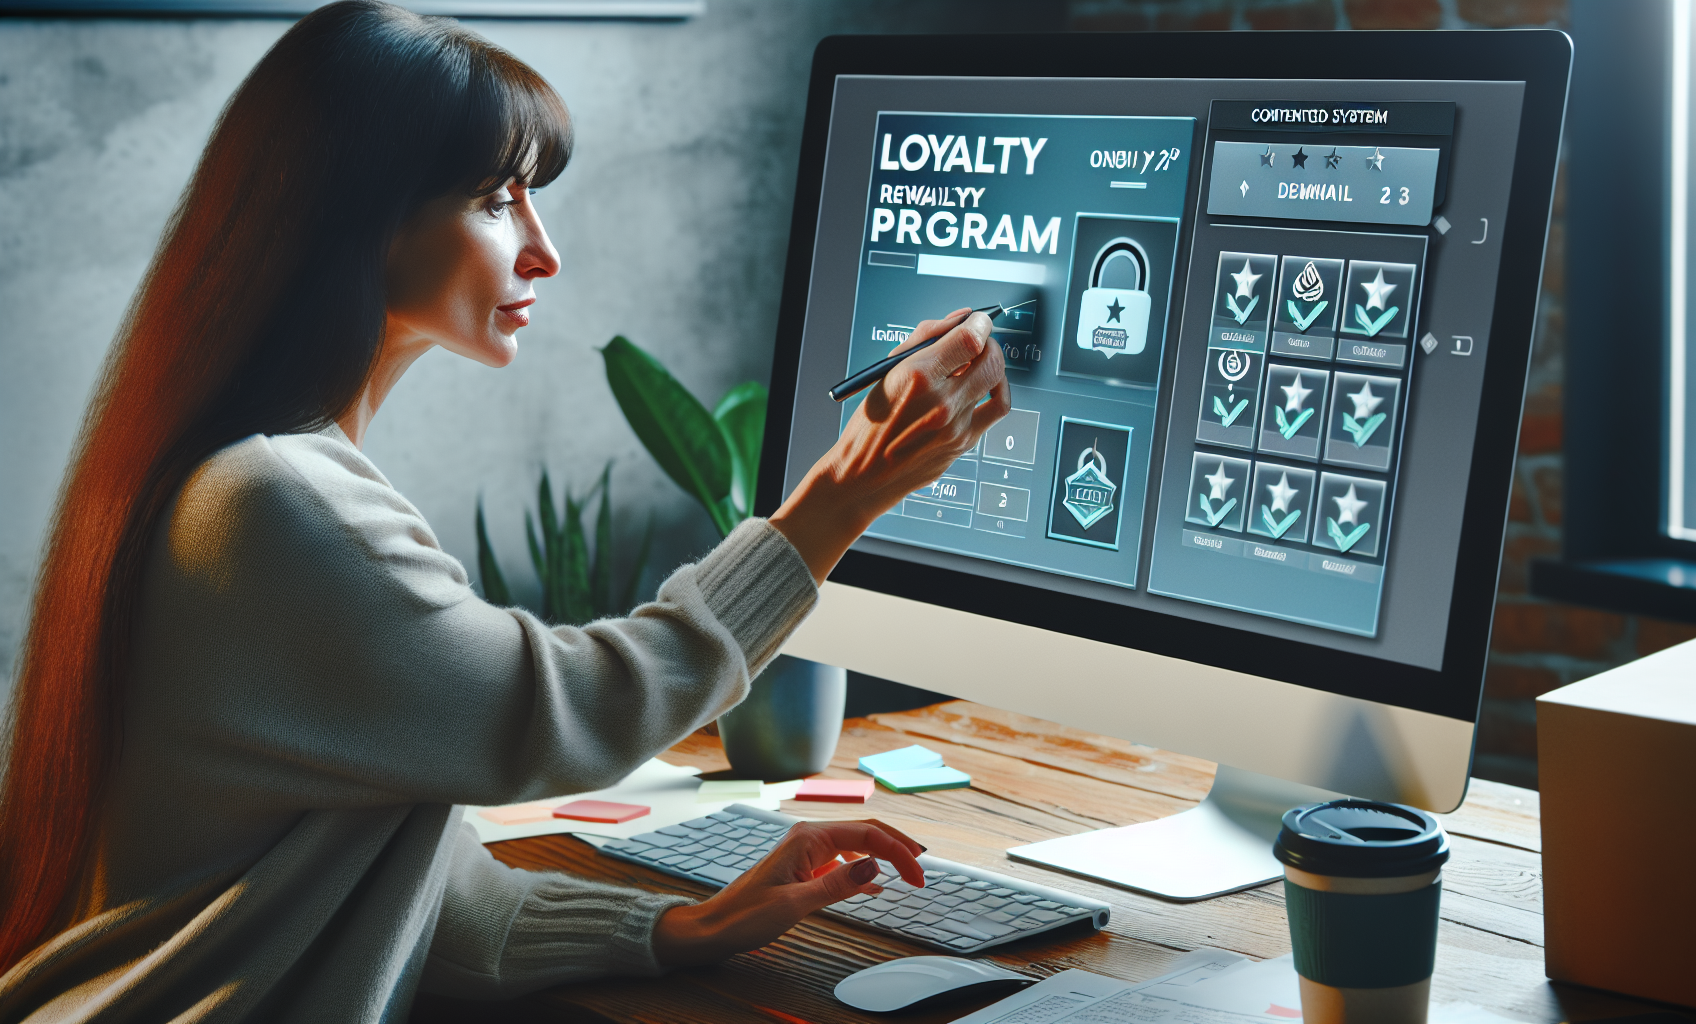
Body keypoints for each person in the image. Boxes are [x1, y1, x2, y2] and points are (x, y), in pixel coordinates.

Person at [0, 3, 1010, 1020]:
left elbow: (372, 870)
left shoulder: (252, 477)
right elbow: (562, 714)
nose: (543, 251)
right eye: (495, 199)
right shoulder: (270, 503)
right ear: (357, 213)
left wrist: (673, 927)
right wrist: (845, 491)